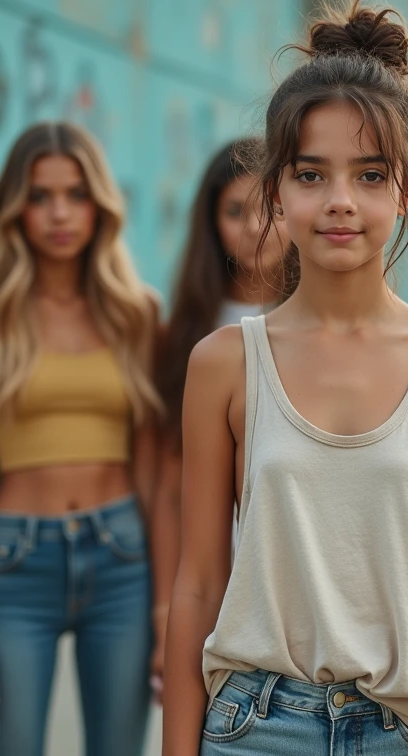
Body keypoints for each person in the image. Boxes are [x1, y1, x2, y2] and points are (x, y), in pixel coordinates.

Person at [158, 4, 408, 756]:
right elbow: (197, 580)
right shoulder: (223, 363)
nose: (340, 200)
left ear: (407, 193)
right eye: (311, 174)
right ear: (277, 192)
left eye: (370, 175)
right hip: (256, 740)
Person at [0, 121, 170, 756]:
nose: (61, 214)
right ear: (16, 207)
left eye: (76, 194)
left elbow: (155, 476)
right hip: (14, 566)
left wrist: (166, 613)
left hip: (122, 561)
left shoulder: (139, 312)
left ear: (100, 203)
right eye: (41, 197)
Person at [155, 138, 292, 574]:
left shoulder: (323, 326)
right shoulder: (184, 336)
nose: (255, 226)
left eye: (272, 209)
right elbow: (170, 481)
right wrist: (163, 606)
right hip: (214, 574)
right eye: (235, 211)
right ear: (211, 222)